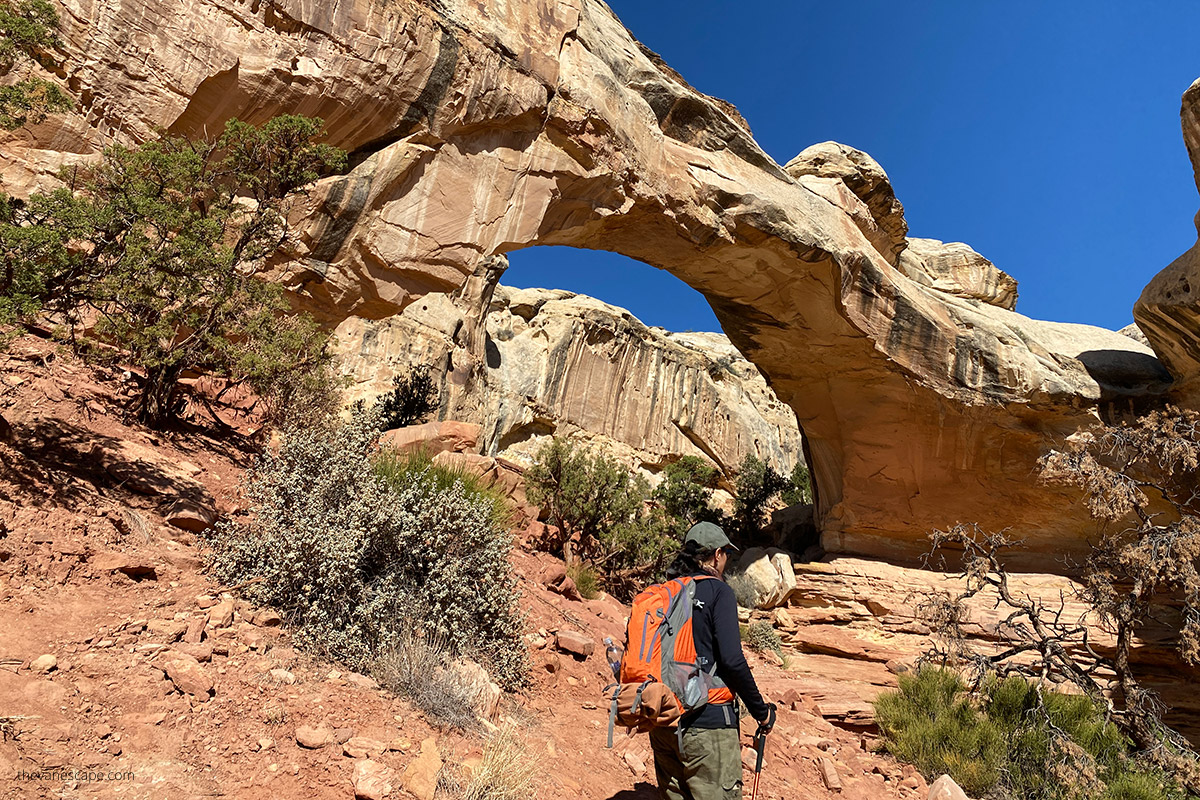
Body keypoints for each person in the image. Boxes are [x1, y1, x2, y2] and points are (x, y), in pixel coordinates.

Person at [649, 521, 776, 800]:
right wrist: (761, 712)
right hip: (708, 726)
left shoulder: (665, 592)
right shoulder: (719, 592)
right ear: (717, 554)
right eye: (726, 555)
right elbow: (732, 661)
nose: (726, 561)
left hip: (663, 721)